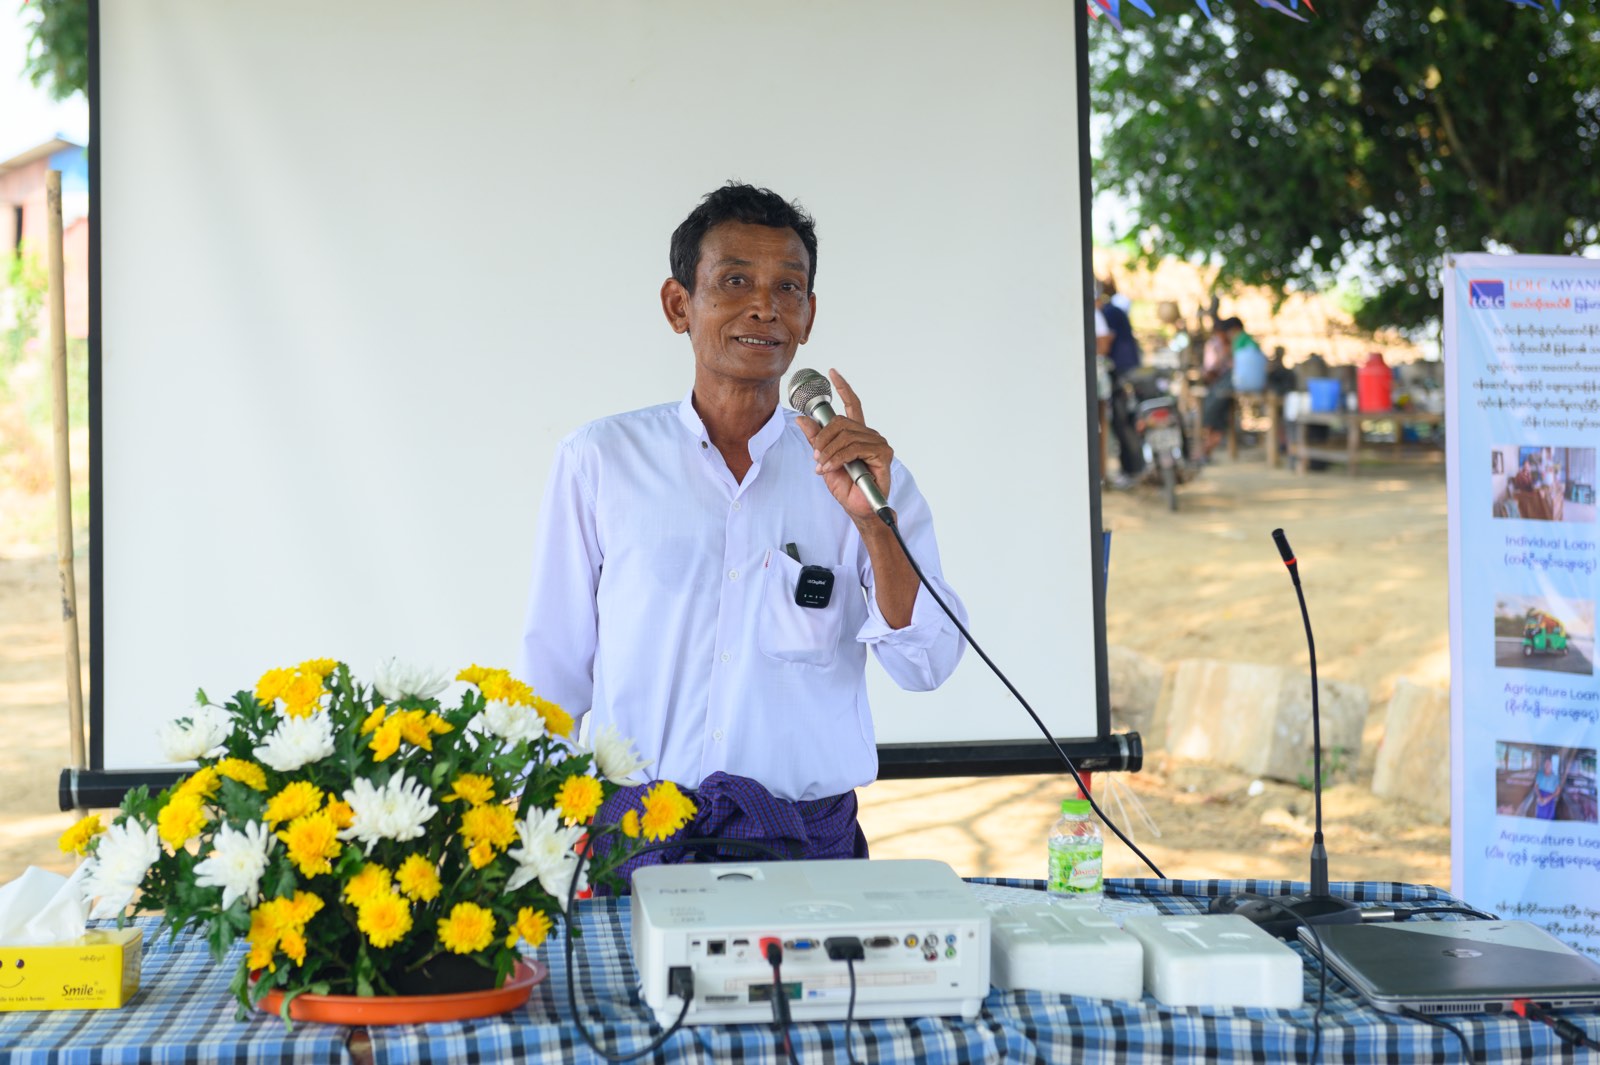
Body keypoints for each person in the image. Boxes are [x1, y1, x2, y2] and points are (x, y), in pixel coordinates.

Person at [518, 183, 968, 883]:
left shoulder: (863, 473)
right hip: (636, 844)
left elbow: (927, 664)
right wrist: (533, 842)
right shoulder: (600, 460)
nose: (765, 306)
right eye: (735, 281)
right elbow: (553, 667)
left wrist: (873, 525)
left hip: (803, 849)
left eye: (789, 287)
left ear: (810, 315)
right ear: (679, 305)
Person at [1096, 277, 1145, 484]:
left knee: (1122, 420)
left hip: (1123, 372)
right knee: (1123, 419)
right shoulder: (1113, 311)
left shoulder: (1107, 313)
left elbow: (1105, 343)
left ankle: (1133, 469)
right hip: (1127, 369)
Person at [1200, 317, 1238, 459]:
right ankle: (1207, 446)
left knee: (1216, 409)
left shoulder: (1232, 346)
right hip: (1217, 384)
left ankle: (1207, 446)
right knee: (1212, 408)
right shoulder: (1216, 345)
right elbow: (1211, 369)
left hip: (1223, 385)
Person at [1534, 755, 1562, 820]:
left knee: (1550, 818)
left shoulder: (1555, 776)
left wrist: (1549, 798)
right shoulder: (1539, 774)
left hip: (1550, 797)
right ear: (1544, 764)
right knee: (1539, 817)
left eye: (1549, 763)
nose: (1547, 765)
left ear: (1552, 765)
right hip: (1540, 796)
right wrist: (1539, 797)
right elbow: (1536, 786)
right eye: (1546, 763)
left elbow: (1558, 790)